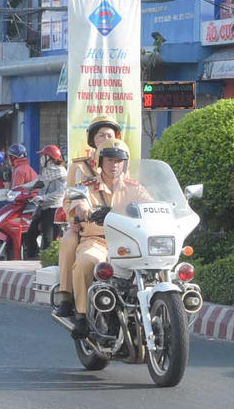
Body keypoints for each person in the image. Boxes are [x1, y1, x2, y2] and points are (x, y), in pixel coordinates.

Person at [62, 142, 151, 338]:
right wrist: (84, 210)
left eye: (119, 160)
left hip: (130, 243)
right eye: (110, 160)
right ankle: (83, 316)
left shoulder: (135, 188)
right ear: (100, 161)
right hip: (98, 240)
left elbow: (150, 207)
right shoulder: (86, 186)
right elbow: (78, 203)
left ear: (125, 164)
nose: (115, 165)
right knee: (85, 262)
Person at [53, 117, 121, 317]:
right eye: (101, 135)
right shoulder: (80, 167)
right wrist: (76, 217)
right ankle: (66, 296)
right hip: (88, 229)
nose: (106, 139)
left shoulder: (124, 169)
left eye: (110, 135)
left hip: (121, 233)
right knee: (69, 241)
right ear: (93, 139)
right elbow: (73, 196)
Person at [26, 145, 67, 258]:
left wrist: (43, 198)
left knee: (49, 239)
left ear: (50, 158)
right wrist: (19, 189)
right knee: (30, 234)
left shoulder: (60, 173)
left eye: (43, 156)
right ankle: (31, 258)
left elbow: (60, 194)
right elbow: (36, 183)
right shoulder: (47, 172)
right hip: (43, 207)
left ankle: (47, 263)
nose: (41, 159)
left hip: (54, 209)